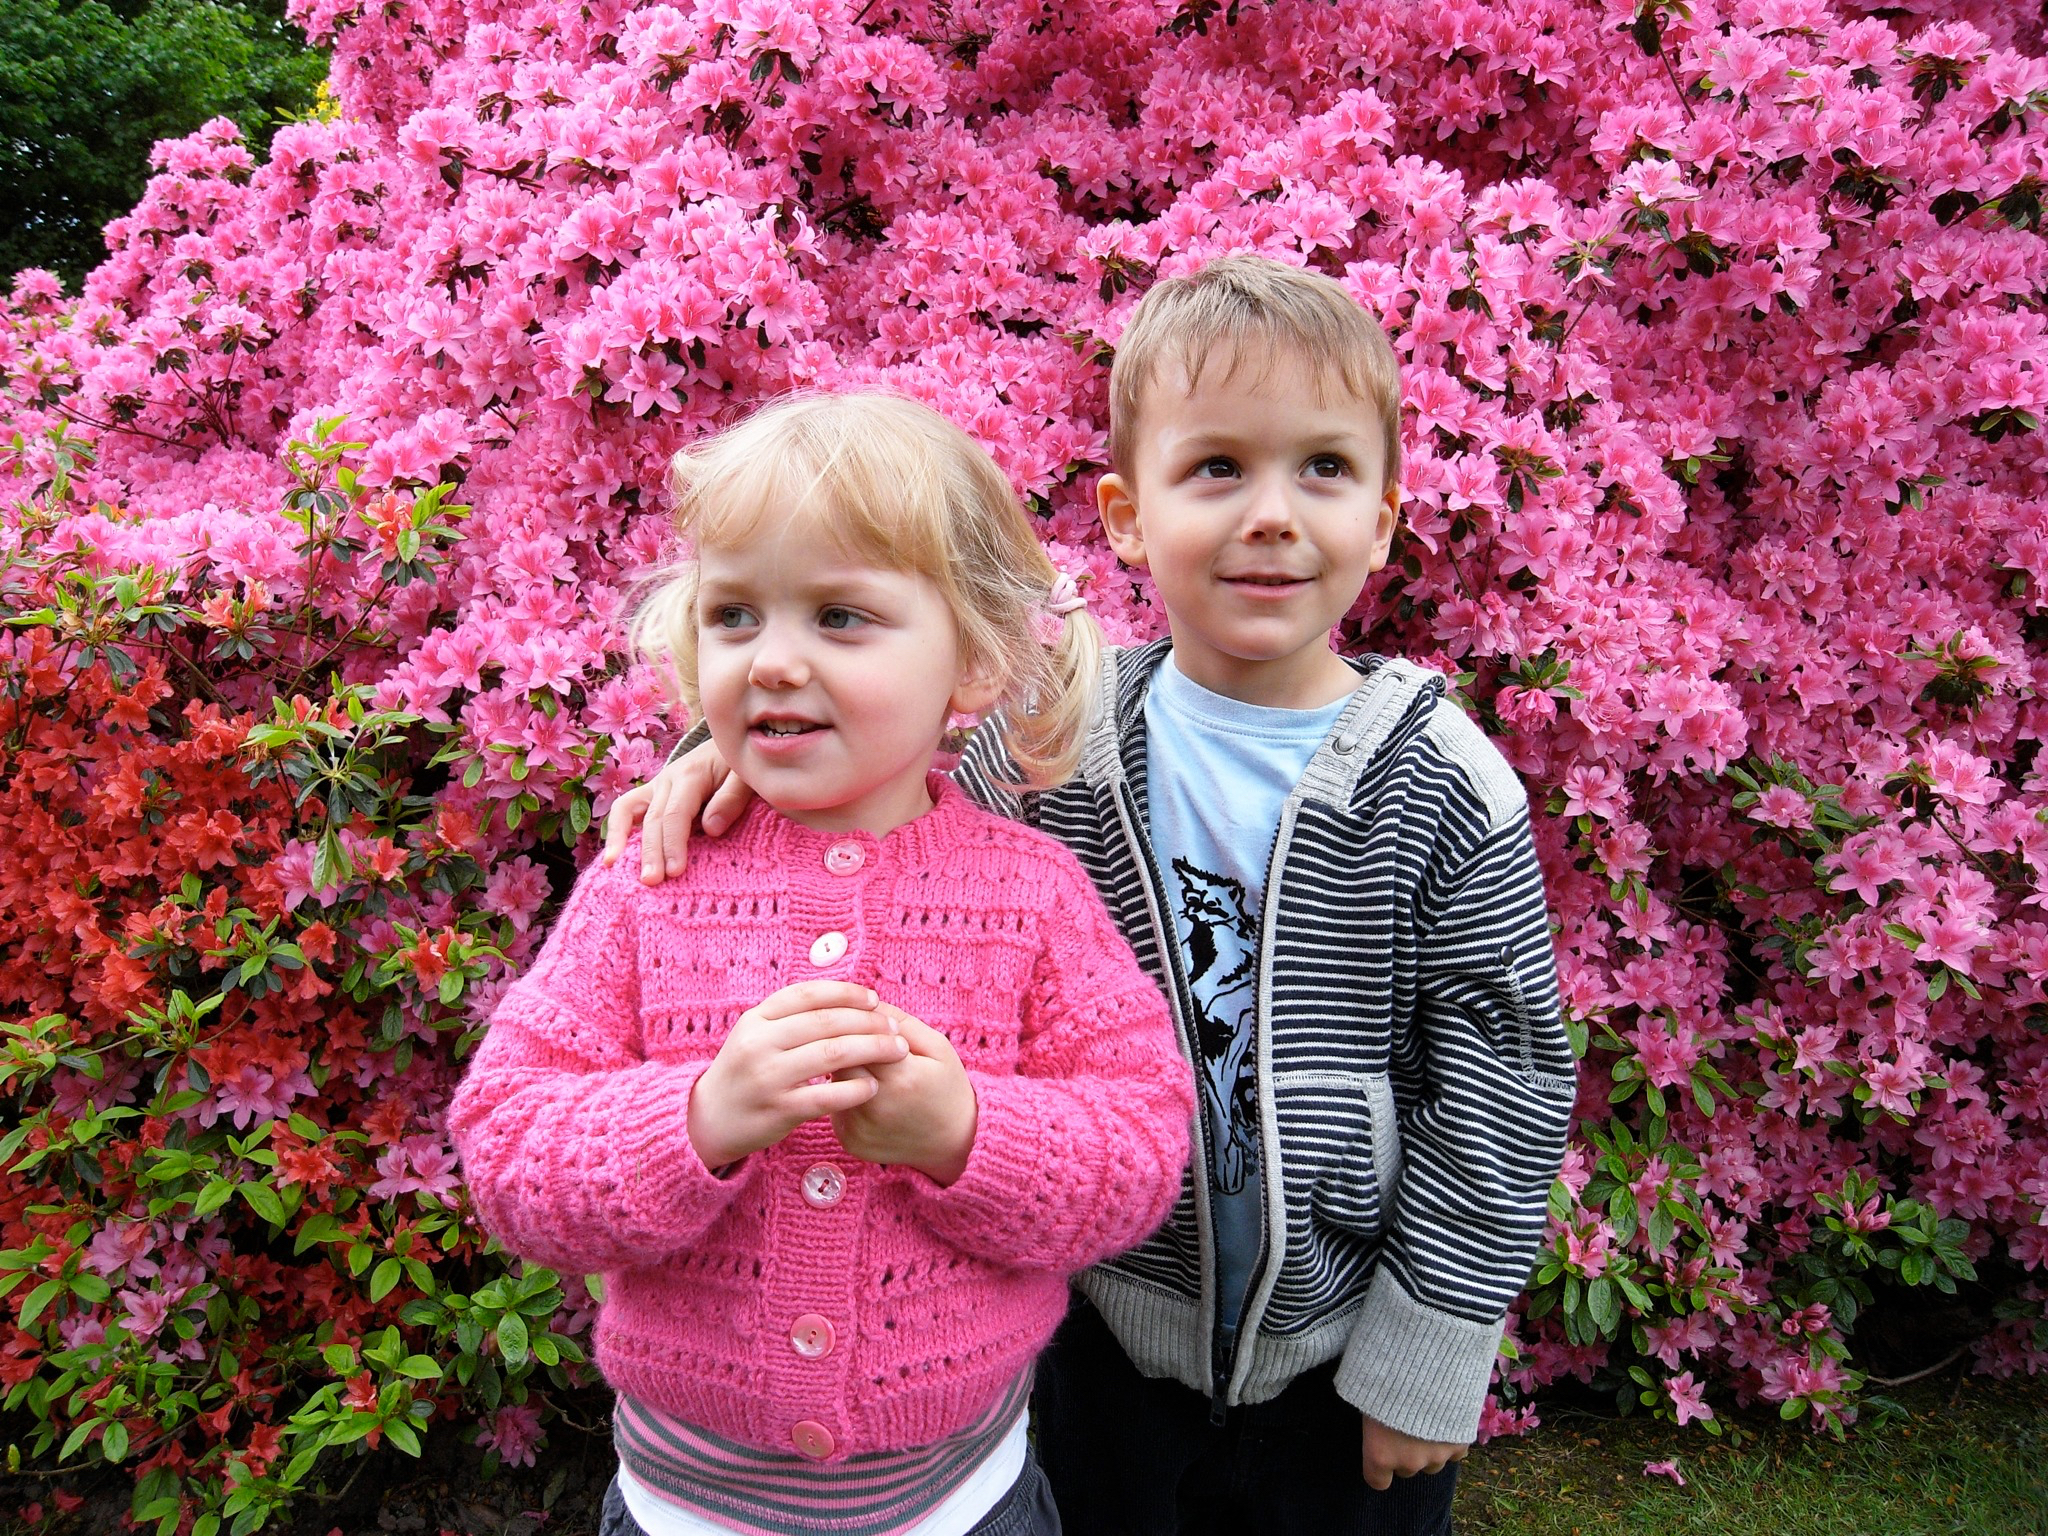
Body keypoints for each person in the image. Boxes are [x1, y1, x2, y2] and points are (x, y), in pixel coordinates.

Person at [604, 257, 1578, 1536]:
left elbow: (1504, 1081)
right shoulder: (1059, 742)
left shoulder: (1438, 781)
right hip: (1102, 1333)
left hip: (1339, 1354)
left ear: (1384, 520)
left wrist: (1428, 1352)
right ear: (1126, 515)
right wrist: (715, 759)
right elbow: (871, 753)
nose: (1270, 514)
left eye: (1323, 469)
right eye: (1215, 467)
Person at [450, 392, 1194, 1536]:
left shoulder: (1032, 898)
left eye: (840, 616)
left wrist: (966, 1135)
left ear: (975, 660)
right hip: (682, 1513)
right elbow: (506, 1145)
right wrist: (695, 1121)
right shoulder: (648, 884)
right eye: (733, 615)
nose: (773, 660)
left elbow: (1139, 1146)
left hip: (962, 1508)